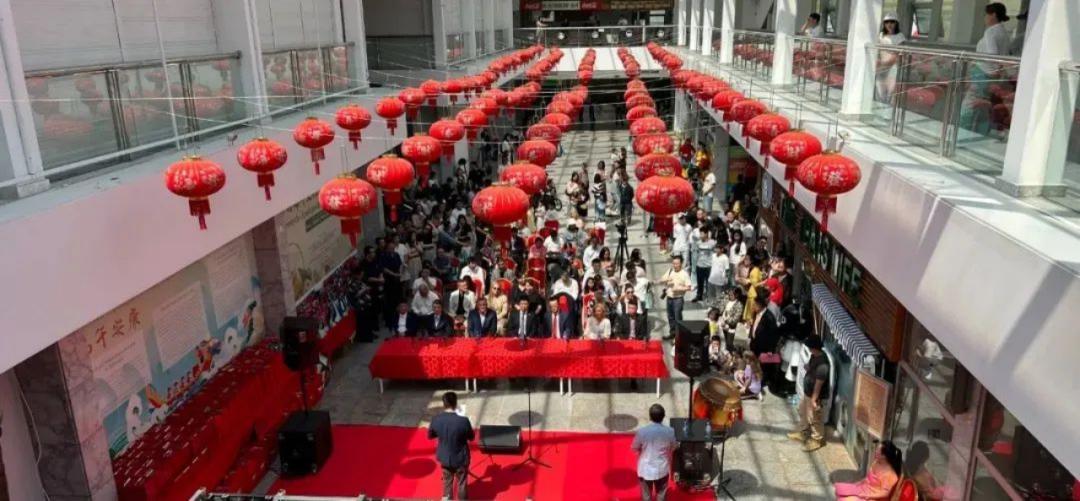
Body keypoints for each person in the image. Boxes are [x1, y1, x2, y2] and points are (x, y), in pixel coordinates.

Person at [429, 391, 474, 501]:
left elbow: (430, 435)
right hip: (460, 458)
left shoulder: (436, 419)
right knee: (461, 482)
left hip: (445, 457)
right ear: (455, 403)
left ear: (444, 404)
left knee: (447, 482)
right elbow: (471, 437)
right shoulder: (463, 421)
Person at [788, 336, 830, 452]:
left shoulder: (823, 365)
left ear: (815, 348)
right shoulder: (814, 356)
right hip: (808, 393)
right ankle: (804, 432)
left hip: (815, 396)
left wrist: (814, 400)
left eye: (810, 347)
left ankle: (817, 440)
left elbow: (819, 384)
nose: (809, 350)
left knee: (814, 418)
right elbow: (811, 369)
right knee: (803, 411)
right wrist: (808, 367)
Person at [632, 404, 677, 501]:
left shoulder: (642, 432)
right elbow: (673, 447)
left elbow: (634, 448)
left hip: (645, 469)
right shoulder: (670, 431)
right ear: (663, 416)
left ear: (650, 416)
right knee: (661, 495)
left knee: (646, 496)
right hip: (662, 468)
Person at [833, 441, 903, 500]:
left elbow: (885, 493)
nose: (875, 451)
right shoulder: (876, 462)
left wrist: (868, 496)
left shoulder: (890, 475)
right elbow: (868, 478)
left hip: (873, 497)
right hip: (864, 488)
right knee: (839, 490)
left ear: (883, 456)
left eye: (877, 450)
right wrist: (860, 482)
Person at [875, 13, 906, 102]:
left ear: (896, 23)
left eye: (892, 22)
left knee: (890, 94)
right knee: (879, 93)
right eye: (887, 22)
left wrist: (883, 63)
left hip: (892, 68)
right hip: (881, 68)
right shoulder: (880, 35)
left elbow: (896, 56)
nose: (889, 24)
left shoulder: (900, 37)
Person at [660, 256, 692, 340]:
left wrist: (679, 288)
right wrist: (666, 280)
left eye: (677, 263)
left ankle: (679, 336)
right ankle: (672, 333)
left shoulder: (684, 274)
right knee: (670, 317)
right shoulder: (670, 270)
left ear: (681, 264)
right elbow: (662, 280)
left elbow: (689, 287)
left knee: (678, 318)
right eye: (674, 263)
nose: (675, 265)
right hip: (669, 298)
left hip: (678, 299)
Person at [693, 228, 715, 302]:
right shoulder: (698, 243)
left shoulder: (712, 242)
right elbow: (696, 253)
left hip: (709, 266)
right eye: (700, 233)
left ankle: (709, 296)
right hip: (699, 265)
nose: (700, 235)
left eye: (702, 233)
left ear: (706, 234)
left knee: (709, 282)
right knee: (700, 282)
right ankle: (699, 295)